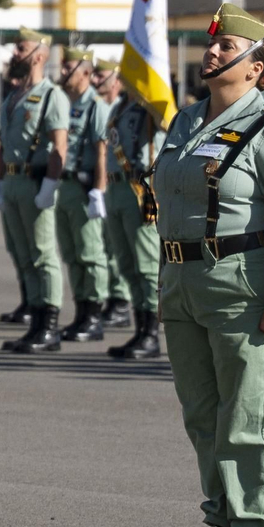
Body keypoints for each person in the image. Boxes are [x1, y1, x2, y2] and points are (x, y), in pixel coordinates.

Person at [155, 3, 264, 527]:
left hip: (242, 284)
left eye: (228, 48)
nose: (213, 53)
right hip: (183, 282)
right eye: (212, 45)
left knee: (249, 420)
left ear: (256, 67)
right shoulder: (187, 119)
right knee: (205, 420)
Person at [0, 29, 71, 353]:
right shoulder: (13, 96)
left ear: (39, 55)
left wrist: (50, 186)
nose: (15, 53)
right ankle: (34, 320)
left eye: (21, 48)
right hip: (12, 182)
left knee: (42, 255)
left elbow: (60, 145)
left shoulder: (51, 96)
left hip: (35, 182)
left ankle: (49, 326)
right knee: (24, 255)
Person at [103, 83, 166, 360]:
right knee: (126, 263)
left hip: (138, 190)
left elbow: (157, 146)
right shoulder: (119, 107)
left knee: (146, 265)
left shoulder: (148, 108)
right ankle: (140, 328)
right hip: (116, 189)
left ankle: (151, 333)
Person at [55, 47, 110, 342]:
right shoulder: (65, 103)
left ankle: (93, 316)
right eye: (63, 68)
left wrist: (98, 192)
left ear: (86, 73)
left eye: (69, 68)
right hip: (64, 188)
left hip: (84, 188)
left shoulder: (95, 106)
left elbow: (102, 151)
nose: (63, 72)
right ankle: (80, 313)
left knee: (90, 254)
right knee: (72, 254)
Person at [91, 58, 134, 329]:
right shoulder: (111, 108)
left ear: (116, 81)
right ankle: (114, 297)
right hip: (109, 185)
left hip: (120, 186)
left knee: (120, 249)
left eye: (102, 76)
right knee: (108, 248)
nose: (96, 80)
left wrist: (100, 188)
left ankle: (120, 300)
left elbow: (103, 150)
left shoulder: (117, 109)